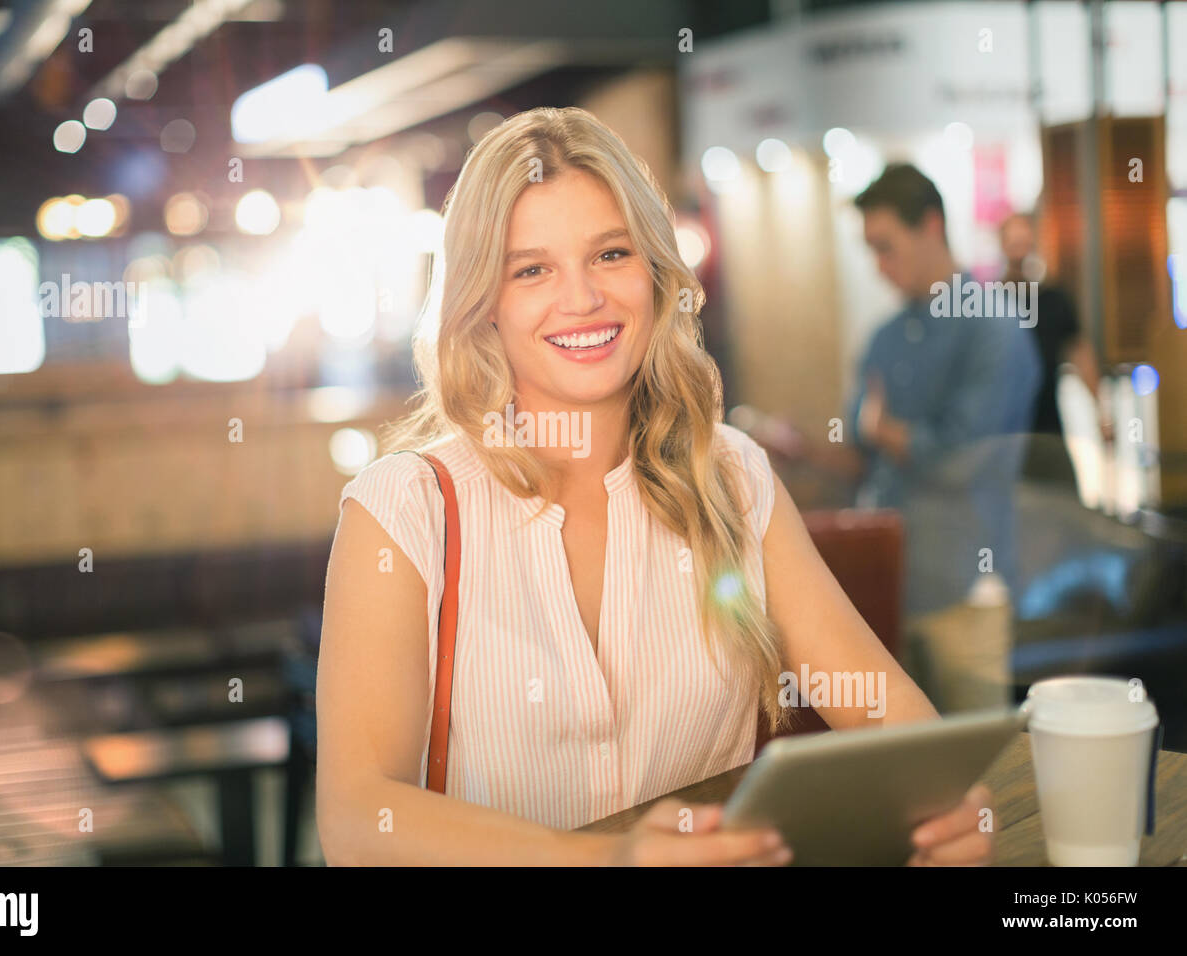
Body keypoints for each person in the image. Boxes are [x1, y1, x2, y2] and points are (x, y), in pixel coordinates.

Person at [314, 111, 992, 866]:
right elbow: (355, 819)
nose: (582, 299)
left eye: (610, 253)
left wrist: (946, 797)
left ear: (656, 273)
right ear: (485, 304)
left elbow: (884, 709)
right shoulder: (405, 509)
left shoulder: (730, 476)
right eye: (531, 268)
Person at [848, 165, 1041, 716]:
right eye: (871, 251)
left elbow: (964, 458)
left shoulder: (993, 326)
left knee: (975, 766)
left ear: (930, 226)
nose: (880, 266)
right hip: (889, 586)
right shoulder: (886, 337)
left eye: (887, 246)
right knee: (899, 769)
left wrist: (885, 432)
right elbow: (861, 456)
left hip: (967, 586)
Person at [997, 211, 1109, 491]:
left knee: (1061, 505)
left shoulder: (1054, 299)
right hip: (1003, 435)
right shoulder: (991, 305)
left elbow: (1080, 353)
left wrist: (1101, 414)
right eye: (1013, 242)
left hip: (1049, 428)